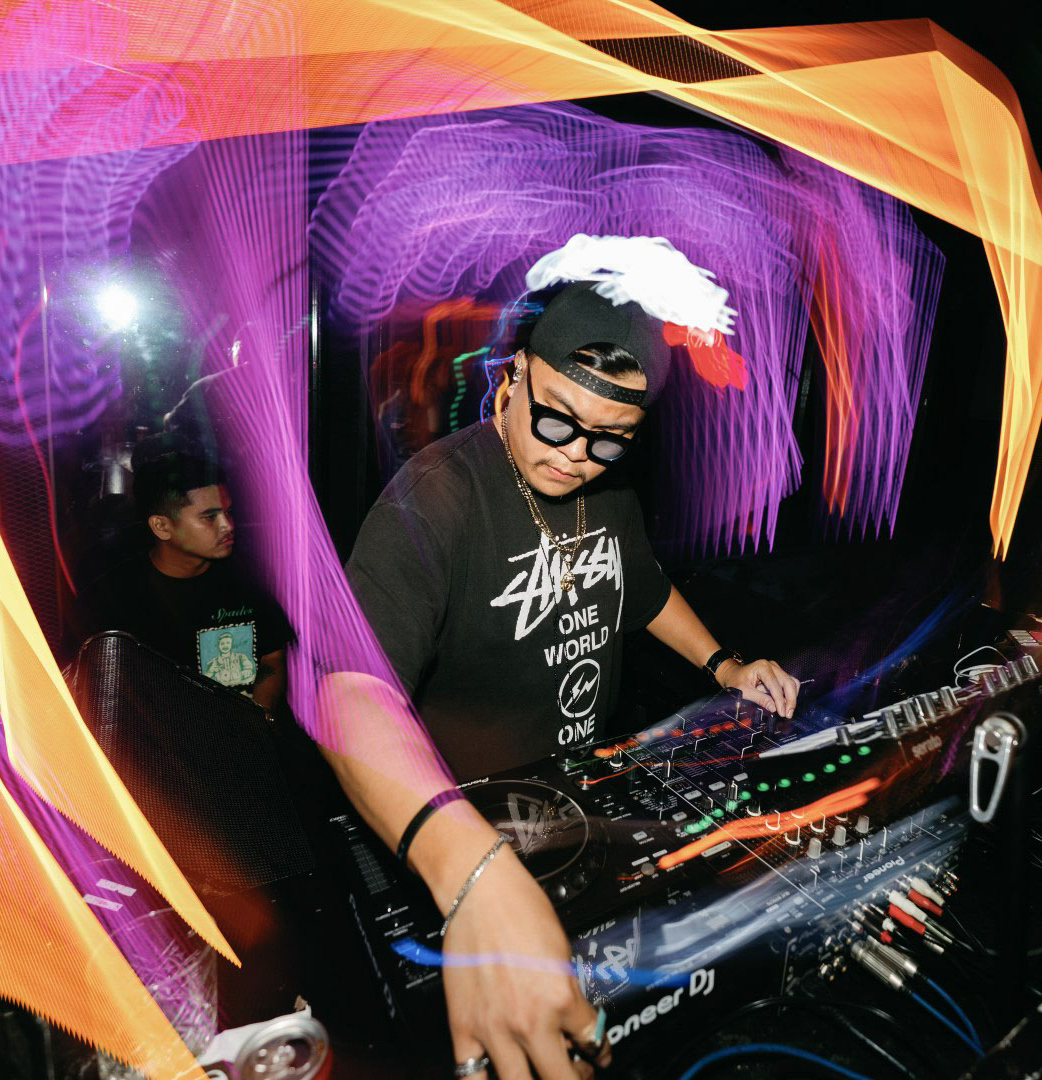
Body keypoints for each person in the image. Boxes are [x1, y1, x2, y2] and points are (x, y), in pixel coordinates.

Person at [321, 236, 799, 1080]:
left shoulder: (606, 492)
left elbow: (642, 589)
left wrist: (724, 664)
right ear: (512, 378)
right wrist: (470, 872)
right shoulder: (435, 499)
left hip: (576, 808)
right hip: (463, 822)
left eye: (609, 438)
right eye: (555, 417)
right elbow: (346, 694)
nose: (576, 452)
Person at [73, 450, 291, 712]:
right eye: (209, 517)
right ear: (162, 527)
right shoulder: (115, 596)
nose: (227, 526)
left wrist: (257, 720)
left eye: (229, 512)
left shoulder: (249, 576)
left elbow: (272, 656)